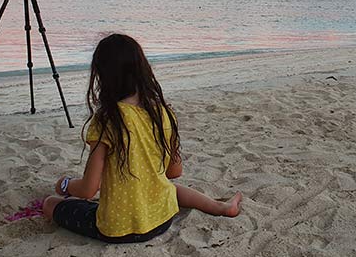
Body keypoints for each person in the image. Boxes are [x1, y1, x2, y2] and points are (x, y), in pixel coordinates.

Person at [43, 33, 241, 243]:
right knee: (167, 188)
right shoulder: (163, 112)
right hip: (163, 219)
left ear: (102, 75)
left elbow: (88, 189)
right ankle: (221, 207)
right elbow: (175, 172)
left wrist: (65, 184)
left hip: (118, 228)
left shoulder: (108, 119)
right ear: (143, 69)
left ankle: (60, 192)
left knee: (50, 203)